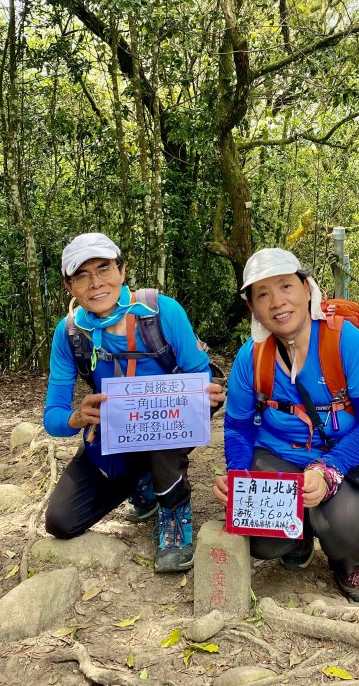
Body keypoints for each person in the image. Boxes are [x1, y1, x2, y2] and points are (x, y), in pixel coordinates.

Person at [213, 247, 359, 607]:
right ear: (252, 307)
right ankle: (298, 535)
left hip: (345, 454)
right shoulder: (252, 356)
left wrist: (328, 470)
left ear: (307, 288)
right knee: (262, 540)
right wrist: (238, 476)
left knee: (344, 528)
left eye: (285, 287)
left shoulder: (343, 341)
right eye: (262, 294)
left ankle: (351, 564)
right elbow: (237, 427)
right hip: (279, 452)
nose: (277, 302)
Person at [44, 232, 224, 572]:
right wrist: (76, 418)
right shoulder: (69, 334)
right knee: (61, 522)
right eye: (81, 275)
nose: (96, 283)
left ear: (122, 270)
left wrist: (202, 392)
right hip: (113, 431)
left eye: (104, 269)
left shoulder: (159, 311)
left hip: (170, 421)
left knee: (160, 431)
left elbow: (198, 374)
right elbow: (53, 418)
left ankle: (173, 509)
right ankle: (142, 482)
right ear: (70, 287)